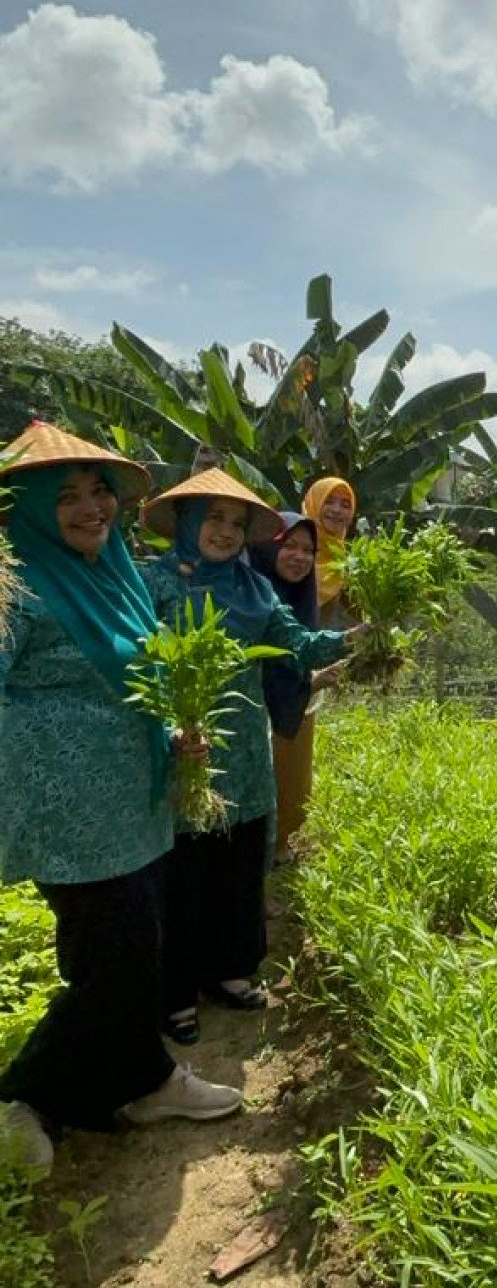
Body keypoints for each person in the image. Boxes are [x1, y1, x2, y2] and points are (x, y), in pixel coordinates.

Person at [0, 423, 241, 1170]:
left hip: (135, 800)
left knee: (136, 947)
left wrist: (174, 730)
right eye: (63, 495)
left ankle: (144, 1080)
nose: (90, 507)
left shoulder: (114, 572)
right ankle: (22, 1097)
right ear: (27, 508)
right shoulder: (15, 583)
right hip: (68, 811)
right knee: (115, 961)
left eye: (98, 490)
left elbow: (142, 679)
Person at [141, 468, 354, 1045]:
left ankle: (229, 971)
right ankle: (177, 989)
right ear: (186, 522)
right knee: (186, 872)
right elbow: (138, 667)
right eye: (213, 517)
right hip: (185, 748)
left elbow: (299, 643)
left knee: (238, 866)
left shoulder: (254, 589)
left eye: (236, 522)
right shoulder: (155, 585)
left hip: (245, 751)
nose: (226, 531)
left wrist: (360, 638)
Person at [249, 512, 338, 863]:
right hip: (250, 715)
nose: (300, 557)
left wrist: (316, 677)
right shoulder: (250, 596)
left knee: (293, 789)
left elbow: (299, 650)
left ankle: (276, 848)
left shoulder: (301, 598)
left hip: (293, 707)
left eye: (308, 550)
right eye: (289, 546)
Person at [302, 477, 358, 625]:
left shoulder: (346, 561)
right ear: (313, 503)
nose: (336, 510)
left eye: (345, 505)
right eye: (328, 501)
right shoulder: (292, 546)